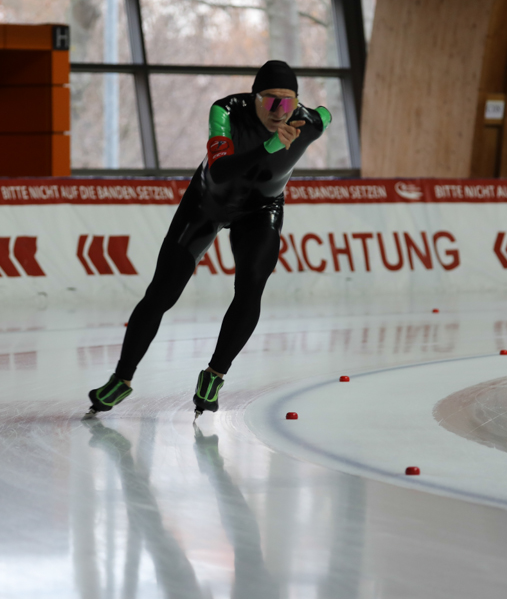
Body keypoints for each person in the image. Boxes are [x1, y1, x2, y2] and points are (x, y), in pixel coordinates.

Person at [88, 60, 332, 417]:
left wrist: (311, 114)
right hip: (207, 202)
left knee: (251, 289)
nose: (279, 111)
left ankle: (215, 375)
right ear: (253, 98)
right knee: (161, 294)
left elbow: (325, 114)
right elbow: (219, 171)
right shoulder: (226, 111)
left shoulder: (307, 122)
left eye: (287, 102)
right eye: (270, 101)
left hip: (261, 209)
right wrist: (268, 147)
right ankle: (121, 379)